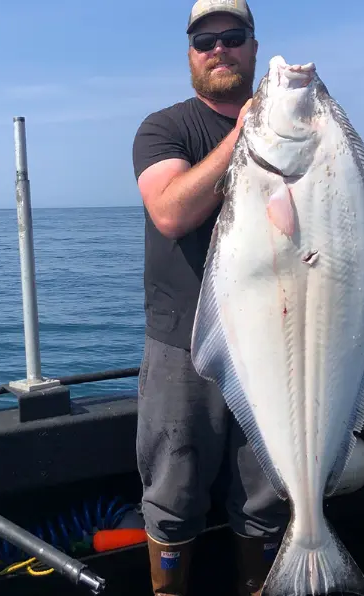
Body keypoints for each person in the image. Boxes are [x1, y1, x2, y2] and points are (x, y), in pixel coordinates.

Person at [131, 0, 291, 594]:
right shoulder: (166, 128)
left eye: (232, 36)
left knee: (266, 495)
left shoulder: (299, 128)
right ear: (190, 54)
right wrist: (247, 132)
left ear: (253, 45)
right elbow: (170, 210)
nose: (218, 48)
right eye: (205, 40)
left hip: (277, 346)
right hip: (184, 347)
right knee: (172, 495)